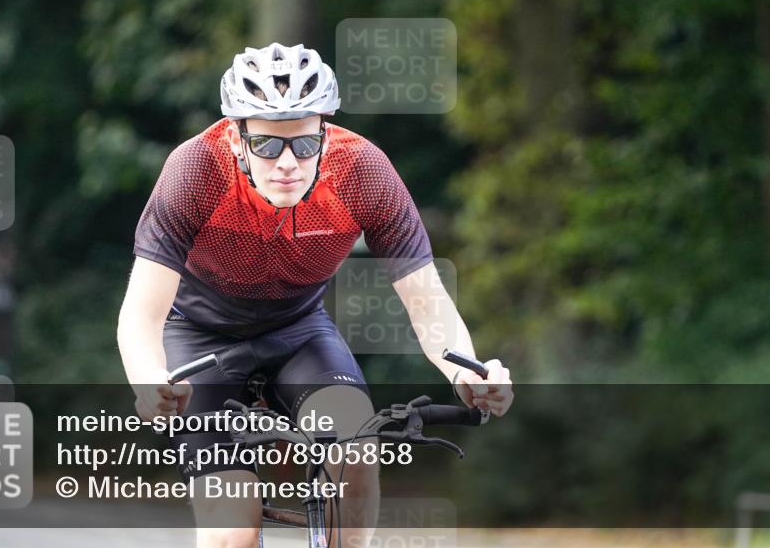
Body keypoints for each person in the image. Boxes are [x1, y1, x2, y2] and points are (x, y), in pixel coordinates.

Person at [117, 42, 514, 548]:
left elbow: (426, 299)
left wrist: (465, 369)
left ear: (324, 136)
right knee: (231, 533)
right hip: (199, 339)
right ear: (237, 141)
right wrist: (150, 380)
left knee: (358, 449)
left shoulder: (363, 172)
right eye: (266, 145)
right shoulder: (194, 171)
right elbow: (141, 314)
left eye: (303, 145)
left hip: (298, 331)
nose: (286, 163)